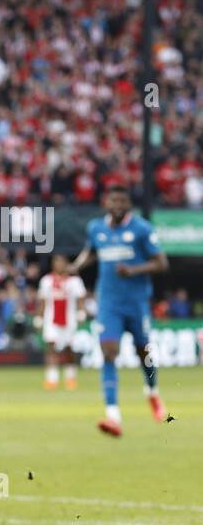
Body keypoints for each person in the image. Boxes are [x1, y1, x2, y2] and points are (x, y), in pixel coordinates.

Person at [70, 186, 169, 436]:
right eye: (113, 200)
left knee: (143, 352)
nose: (117, 205)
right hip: (109, 303)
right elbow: (91, 252)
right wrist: (76, 266)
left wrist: (133, 270)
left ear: (128, 205)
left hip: (136, 302)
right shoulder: (96, 228)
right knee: (109, 352)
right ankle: (113, 414)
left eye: (122, 201)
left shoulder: (142, 229)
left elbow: (161, 263)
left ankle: (152, 392)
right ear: (106, 202)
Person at [35, 254, 86, 389]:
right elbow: (42, 300)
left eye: (61, 262)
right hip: (51, 319)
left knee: (68, 349)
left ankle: (70, 377)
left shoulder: (74, 281)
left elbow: (81, 298)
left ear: (66, 264)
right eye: (56, 262)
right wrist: (39, 317)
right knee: (51, 347)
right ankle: (52, 379)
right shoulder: (46, 280)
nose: (58, 265)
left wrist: (81, 312)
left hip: (69, 319)